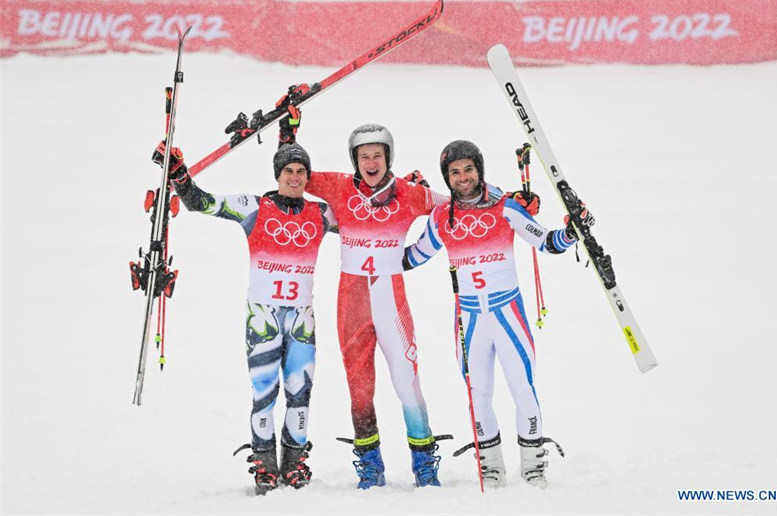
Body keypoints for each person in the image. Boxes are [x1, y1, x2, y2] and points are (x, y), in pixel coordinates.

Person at [151, 137, 336, 495]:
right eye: (288, 171)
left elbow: (366, 221)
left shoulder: (321, 213)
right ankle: (265, 466)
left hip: (301, 320)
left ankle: (295, 463)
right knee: (264, 393)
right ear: (277, 174)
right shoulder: (253, 207)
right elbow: (200, 203)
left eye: (301, 172)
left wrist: (403, 190)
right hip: (262, 319)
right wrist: (179, 175)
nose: (294, 178)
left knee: (301, 393)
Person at [403, 140, 591, 488]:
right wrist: (373, 243)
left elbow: (547, 242)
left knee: (522, 388)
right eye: (455, 172)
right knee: (479, 395)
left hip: (508, 312)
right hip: (470, 318)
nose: (463, 177)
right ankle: (490, 467)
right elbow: (414, 256)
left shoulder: (506, 207)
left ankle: (533, 465)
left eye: (468, 169)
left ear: (479, 170)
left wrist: (572, 230)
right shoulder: (442, 217)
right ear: (447, 177)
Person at [297, 118, 449, 488]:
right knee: (359, 386)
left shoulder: (409, 193)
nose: (371, 162)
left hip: (389, 297)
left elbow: (460, 205)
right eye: (363, 156)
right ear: (355, 160)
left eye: (377, 155)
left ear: (388, 157)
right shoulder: (337, 186)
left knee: (406, 381)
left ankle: (423, 462)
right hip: (351, 299)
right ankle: (370, 463)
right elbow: (297, 175)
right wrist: (289, 132)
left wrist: (509, 201)